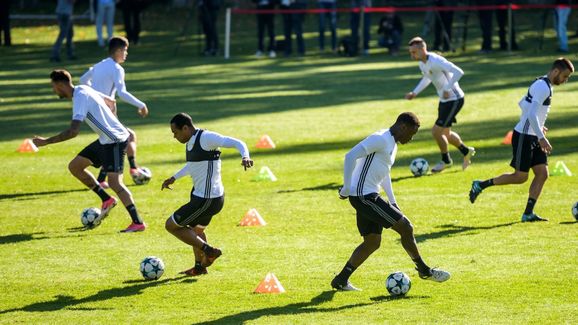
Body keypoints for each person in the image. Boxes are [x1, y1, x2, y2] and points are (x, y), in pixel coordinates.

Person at [331, 112, 450, 291]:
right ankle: (424, 270)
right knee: (406, 228)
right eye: (411, 133)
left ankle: (341, 279)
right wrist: (347, 187)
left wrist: (393, 202)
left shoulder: (392, 144)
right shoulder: (380, 138)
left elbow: (383, 173)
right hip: (364, 196)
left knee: (372, 242)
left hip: (367, 195)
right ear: (402, 126)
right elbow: (350, 156)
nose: (411, 138)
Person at [32, 69, 148, 232]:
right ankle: (106, 200)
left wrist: (46, 142)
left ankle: (138, 222)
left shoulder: (79, 97)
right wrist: (112, 123)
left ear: (60, 85)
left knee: (115, 182)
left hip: (115, 141)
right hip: (105, 140)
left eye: (53, 87)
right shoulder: (83, 88)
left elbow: (73, 132)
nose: (53, 90)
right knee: (75, 166)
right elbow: (111, 102)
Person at [469, 58, 574, 222]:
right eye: (565, 76)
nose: (565, 80)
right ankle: (480, 185)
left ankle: (528, 213)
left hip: (533, 133)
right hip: (525, 136)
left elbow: (523, 104)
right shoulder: (542, 87)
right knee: (520, 177)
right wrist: (541, 136)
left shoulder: (543, 84)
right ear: (555, 71)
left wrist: (538, 126)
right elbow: (531, 113)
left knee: (542, 173)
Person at [162, 113, 254, 276]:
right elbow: (192, 165)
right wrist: (174, 178)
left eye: (175, 132)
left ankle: (209, 251)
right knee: (195, 231)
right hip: (204, 196)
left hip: (207, 199)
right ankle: (199, 267)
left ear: (186, 128)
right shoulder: (190, 142)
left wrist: (245, 156)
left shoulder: (206, 138)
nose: (174, 136)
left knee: (171, 225)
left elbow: (237, 142)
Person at [79, 36, 149, 189]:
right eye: (124, 50)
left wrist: (95, 95)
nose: (126, 54)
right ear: (117, 50)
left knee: (114, 141)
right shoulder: (117, 68)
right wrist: (141, 104)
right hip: (107, 110)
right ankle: (132, 169)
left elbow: (83, 80)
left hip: (96, 110)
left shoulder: (98, 65)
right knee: (126, 137)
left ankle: (106, 177)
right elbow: (122, 92)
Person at [405, 37, 475, 173]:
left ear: (422, 49)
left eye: (413, 52)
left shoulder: (437, 61)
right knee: (446, 134)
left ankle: (446, 160)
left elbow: (459, 72)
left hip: (455, 99)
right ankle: (466, 151)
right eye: (410, 52)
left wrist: (448, 89)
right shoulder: (422, 63)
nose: (412, 55)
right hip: (444, 101)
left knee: (436, 131)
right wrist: (415, 92)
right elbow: (427, 78)